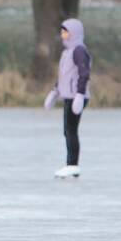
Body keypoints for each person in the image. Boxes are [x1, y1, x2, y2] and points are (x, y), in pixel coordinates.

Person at [43, 18, 92, 179]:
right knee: (68, 130)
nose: (62, 35)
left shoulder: (79, 50)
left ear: (74, 33)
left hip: (76, 96)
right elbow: (65, 75)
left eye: (65, 32)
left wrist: (79, 94)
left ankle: (72, 165)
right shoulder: (67, 52)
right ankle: (71, 164)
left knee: (71, 130)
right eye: (62, 32)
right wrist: (55, 91)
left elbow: (84, 74)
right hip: (69, 95)